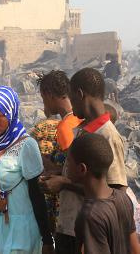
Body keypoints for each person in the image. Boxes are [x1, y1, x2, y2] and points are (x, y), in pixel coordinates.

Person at [40, 68, 128, 254]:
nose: (70, 103)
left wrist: (64, 184)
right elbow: (85, 175)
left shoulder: (108, 135)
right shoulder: (83, 130)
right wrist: (58, 173)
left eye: (71, 96)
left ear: (79, 94)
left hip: (87, 232)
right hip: (69, 226)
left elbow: (115, 192)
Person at [0, 86, 54, 254]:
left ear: (10, 114)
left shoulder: (26, 145)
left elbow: (37, 194)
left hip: (21, 228)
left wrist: (46, 240)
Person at [66, 133, 140, 254]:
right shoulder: (122, 198)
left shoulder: (89, 216)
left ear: (81, 169)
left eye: (69, 162)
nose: (66, 166)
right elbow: (135, 249)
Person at [37, 70, 83, 252]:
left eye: (42, 97)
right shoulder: (78, 119)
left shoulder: (66, 127)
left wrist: (42, 160)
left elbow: (71, 170)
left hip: (70, 214)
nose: (43, 103)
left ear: (49, 94)